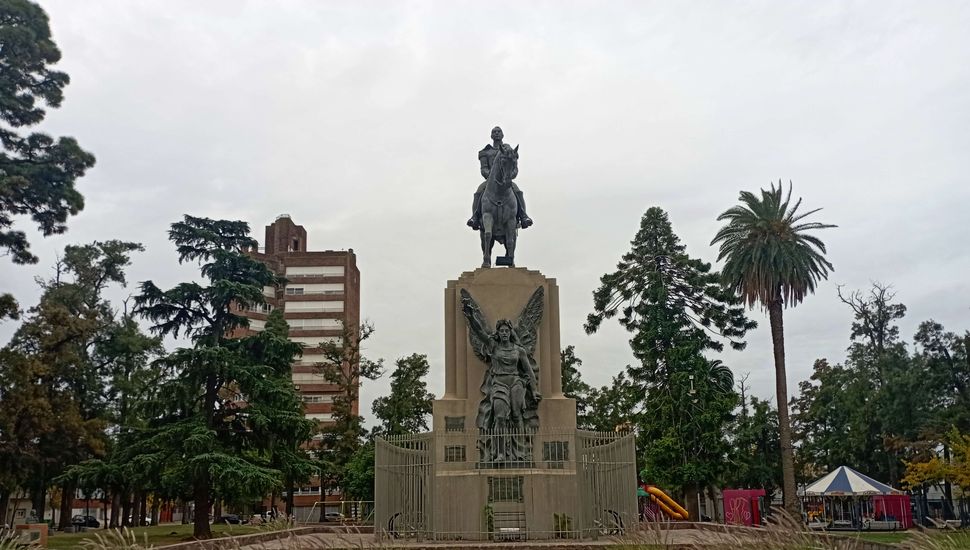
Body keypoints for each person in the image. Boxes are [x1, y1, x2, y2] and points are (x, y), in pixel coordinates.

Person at [467, 126, 533, 230]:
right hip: (490, 182)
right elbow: (484, 170)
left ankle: (524, 216)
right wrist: (491, 177)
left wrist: (509, 176)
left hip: (506, 180)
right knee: (479, 191)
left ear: (502, 135)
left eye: (499, 132)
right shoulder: (486, 152)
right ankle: (474, 217)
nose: (497, 133)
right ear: (491, 136)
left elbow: (514, 169)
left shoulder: (510, 150)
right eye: (494, 132)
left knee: (517, 190)